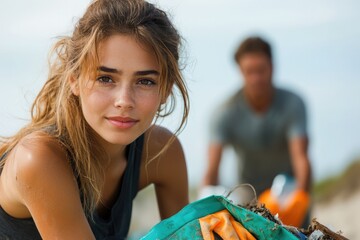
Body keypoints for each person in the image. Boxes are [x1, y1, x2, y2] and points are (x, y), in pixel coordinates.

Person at [0, 0, 189, 239]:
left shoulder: (161, 152)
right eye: (105, 78)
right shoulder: (39, 157)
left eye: (145, 81)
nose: (124, 100)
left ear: (165, 90)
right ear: (74, 80)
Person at [201, 36, 312, 226]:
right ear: (240, 71)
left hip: (287, 189)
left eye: (261, 70)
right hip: (247, 192)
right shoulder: (224, 112)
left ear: (272, 67)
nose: (256, 78)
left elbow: (300, 157)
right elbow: (211, 171)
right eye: (249, 72)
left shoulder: (293, 104)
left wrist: (300, 197)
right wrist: (204, 210)